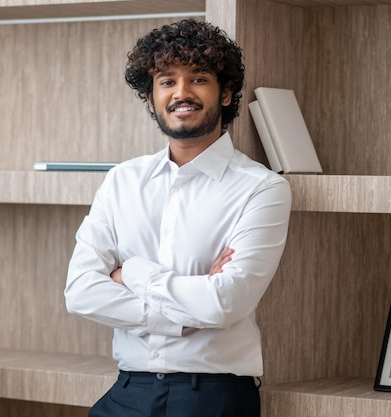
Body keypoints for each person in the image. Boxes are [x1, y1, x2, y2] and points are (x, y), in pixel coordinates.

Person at [64, 18, 292, 417]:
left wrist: (129, 273)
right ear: (151, 99)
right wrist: (186, 312)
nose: (181, 93)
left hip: (212, 395)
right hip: (127, 388)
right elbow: (81, 292)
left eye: (198, 79)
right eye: (167, 81)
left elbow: (224, 303)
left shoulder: (262, 188)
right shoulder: (122, 181)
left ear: (225, 93)